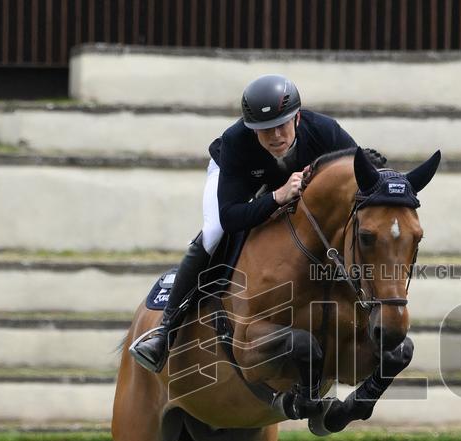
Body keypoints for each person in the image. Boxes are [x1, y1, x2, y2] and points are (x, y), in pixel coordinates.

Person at [130, 74, 357, 372]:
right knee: (213, 232)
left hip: (282, 183)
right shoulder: (237, 142)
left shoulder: (325, 130)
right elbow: (231, 216)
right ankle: (165, 330)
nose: (275, 136)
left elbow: (360, 170)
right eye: (264, 131)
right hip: (236, 180)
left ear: (297, 118)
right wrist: (276, 196)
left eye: (281, 126)